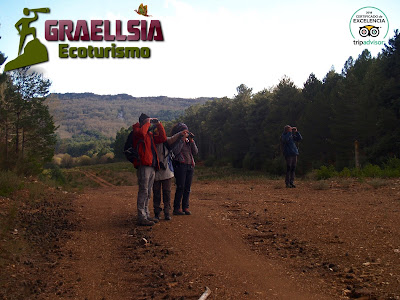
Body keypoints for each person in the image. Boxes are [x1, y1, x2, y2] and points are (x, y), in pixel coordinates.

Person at [133, 113, 166, 226]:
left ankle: (146, 215)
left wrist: (158, 125)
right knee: (143, 190)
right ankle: (141, 216)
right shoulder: (137, 132)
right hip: (143, 165)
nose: (149, 123)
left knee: (148, 192)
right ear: (143, 122)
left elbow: (163, 138)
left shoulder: (150, 135)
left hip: (151, 166)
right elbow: (141, 133)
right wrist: (147, 122)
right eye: (147, 122)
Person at [152, 130, 184, 221]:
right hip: (160, 170)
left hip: (163, 170)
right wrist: (180, 134)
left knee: (164, 192)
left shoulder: (163, 141)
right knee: (159, 193)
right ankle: (159, 213)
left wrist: (180, 133)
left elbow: (174, 138)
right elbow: (174, 138)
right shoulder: (154, 141)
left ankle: (164, 212)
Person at [170, 123, 198, 215]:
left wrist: (191, 141)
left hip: (190, 165)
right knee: (180, 187)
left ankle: (185, 207)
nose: (187, 133)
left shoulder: (188, 141)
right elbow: (175, 152)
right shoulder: (176, 141)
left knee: (187, 188)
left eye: (187, 131)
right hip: (180, 166)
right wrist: (181, 140)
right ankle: (176, 208)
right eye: (184, 131)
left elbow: (195, 152)